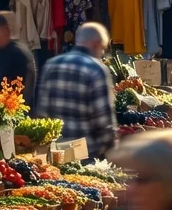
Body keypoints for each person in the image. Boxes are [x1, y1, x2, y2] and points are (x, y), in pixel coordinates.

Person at [35, 22, 117, 159]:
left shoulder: (51, 65)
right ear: (96, 44)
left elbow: (42, 112)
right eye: (102, 48)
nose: (102, 53)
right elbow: (103, 120)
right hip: (86, 152)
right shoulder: (96, 70)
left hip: (55, 151)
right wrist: (110, 150)